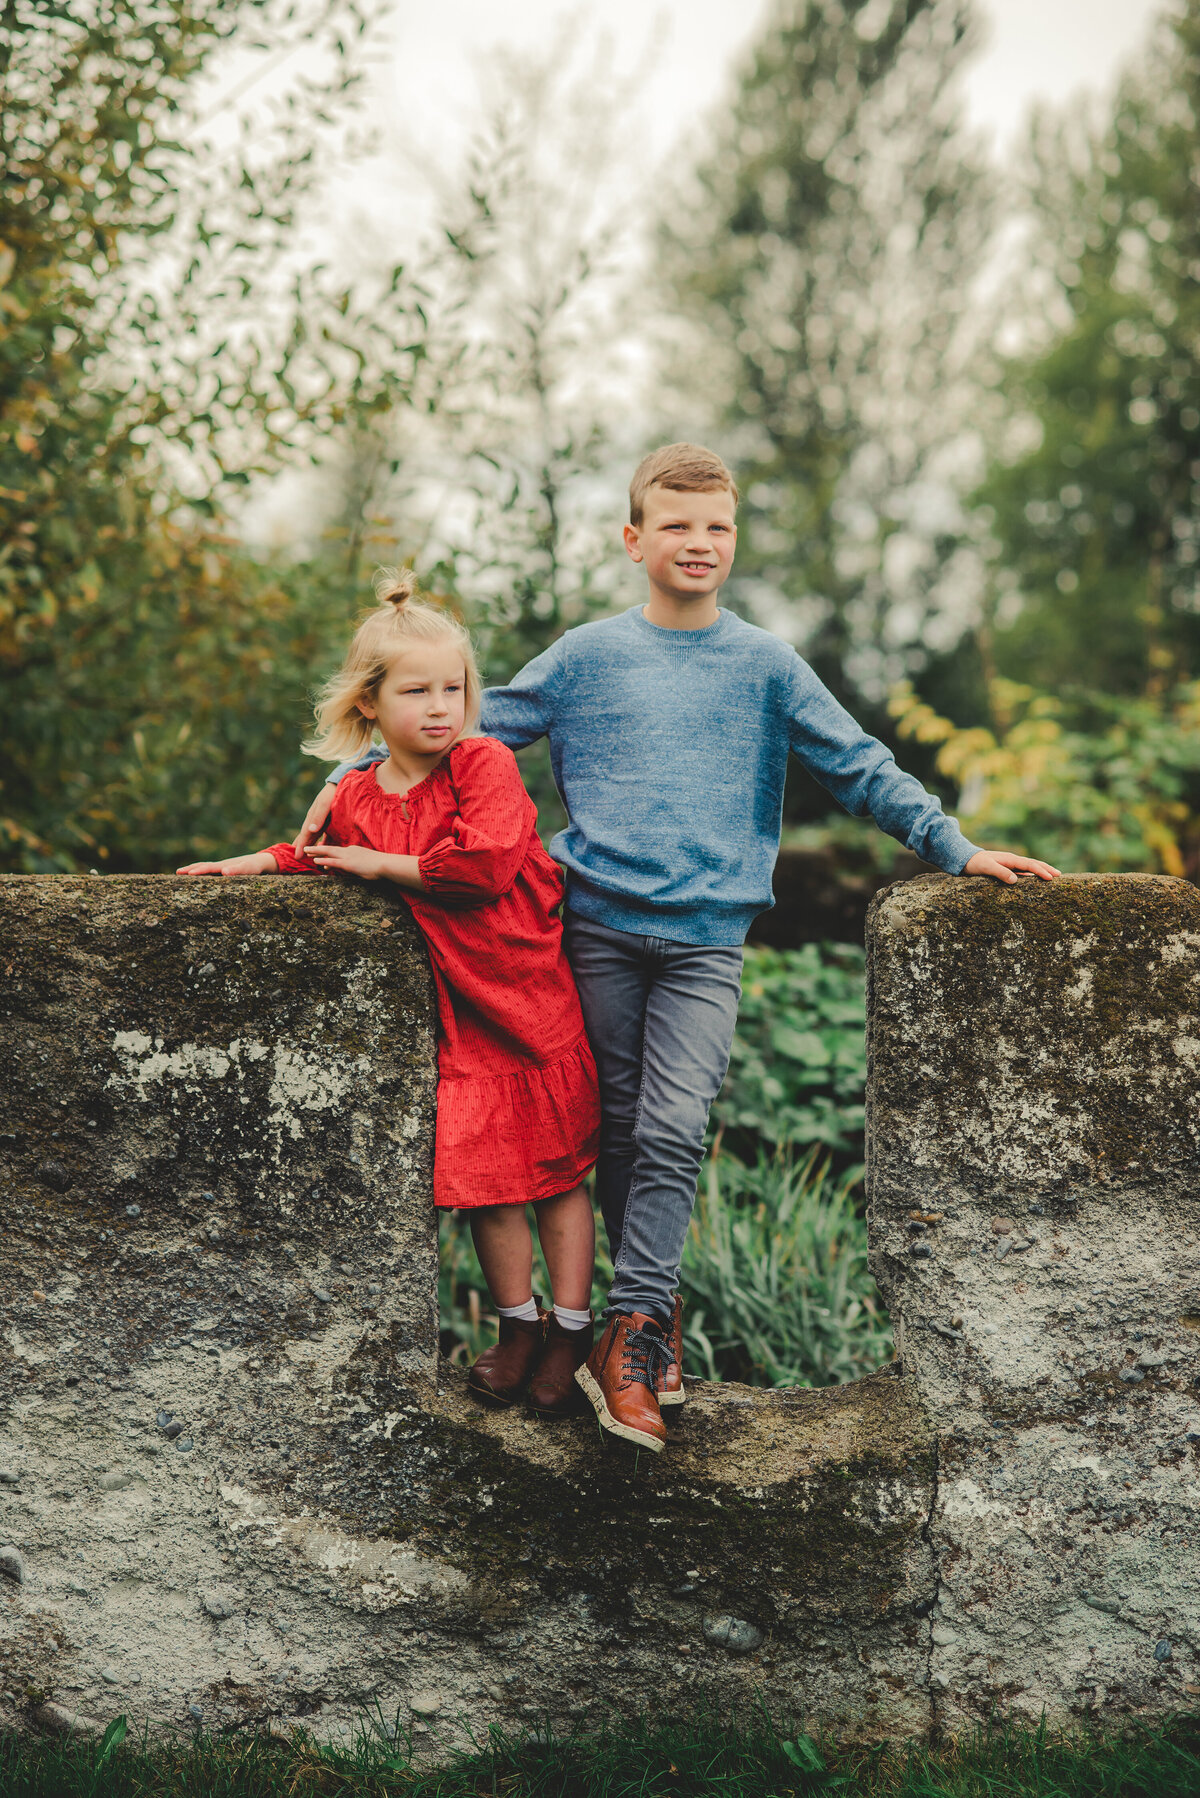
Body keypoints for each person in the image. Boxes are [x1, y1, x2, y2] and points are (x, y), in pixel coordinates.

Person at [294, 444, 1060, 1454]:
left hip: (706, 943)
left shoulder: (765, 664)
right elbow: (456, 730)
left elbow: (858, 764)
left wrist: (952, 847)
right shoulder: (584, 656)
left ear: (733, 541)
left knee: (672, 1127)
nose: (699, 543)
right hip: (596, 931)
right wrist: (345, 783)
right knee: (609, 1133)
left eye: (718, 527)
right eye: (678, 525)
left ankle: (636, 1329)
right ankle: (632, 1324)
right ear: (634, 538)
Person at [178, 573, 601, 1420]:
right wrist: (257, 863)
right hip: (465, 1011)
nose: (441, 707)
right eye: (417, 691)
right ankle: (516, 1325)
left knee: (554, 1176)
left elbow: (483, 867)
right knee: (487, 1179)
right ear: (369, 705)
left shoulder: (481, 764)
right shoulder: (362, 795)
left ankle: (570, 1328)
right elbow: (318, 854)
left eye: (455, 689)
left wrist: (379, 865)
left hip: (530, 991)